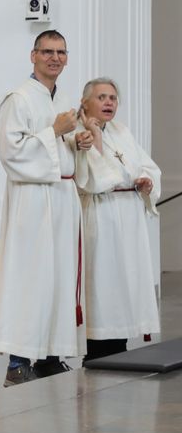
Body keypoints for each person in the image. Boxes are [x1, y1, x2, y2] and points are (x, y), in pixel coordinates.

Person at [0, 30, 92, 386]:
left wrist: (77, 141)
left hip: (62, 197)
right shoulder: (18, 99)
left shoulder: (62, 97)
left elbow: (60, 147)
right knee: (30, 278)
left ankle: (50, 356)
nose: (55, 58)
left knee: (59, 278)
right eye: (47, 52)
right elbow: (10, 152)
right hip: (32, 200)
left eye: (61, 52)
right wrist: (54, 131)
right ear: (32, 55)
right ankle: (18, 362)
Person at [74, 77, 161, 361]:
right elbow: (96, 179)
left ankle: (119, 345)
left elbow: (146, 164)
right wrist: (95, 137)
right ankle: (98, 348)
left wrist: (146, 181)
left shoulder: (122, 131)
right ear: (85, 102)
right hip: (101, 214)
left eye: (112, 97)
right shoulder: (79, 131)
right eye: (101, 97)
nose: (109, 102)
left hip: (128, 213)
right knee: (103, 281)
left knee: (125, 281)